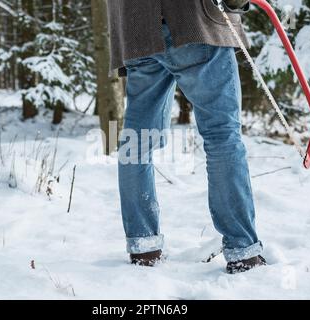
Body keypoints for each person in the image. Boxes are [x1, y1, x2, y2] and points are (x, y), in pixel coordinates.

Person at [107, 0, 266, 274]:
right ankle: (243, 252)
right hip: (195, 23)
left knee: (137, 142)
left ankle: (143, 246)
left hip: (136, 29)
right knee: (222, 137)